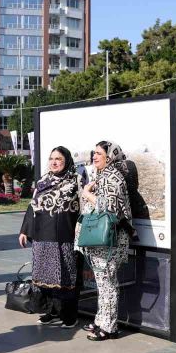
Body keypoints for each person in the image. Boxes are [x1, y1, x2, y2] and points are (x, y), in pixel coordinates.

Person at [18, 146, 81, 328]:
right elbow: (32, 207)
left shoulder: (75, 181)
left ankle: (69, 315)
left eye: (58, 159)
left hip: (64, 237)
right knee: (44, 277)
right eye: (52, 158)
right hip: (42, 237)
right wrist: (24, 230)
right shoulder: (43, 181)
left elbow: (83, 208)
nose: (54, 162)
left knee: (65, 276)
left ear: (66, 161)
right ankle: (51, 312)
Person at [78, 141, 133, 341]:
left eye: (99, 154)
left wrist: (86, 194)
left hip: (111, 240)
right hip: (103, 240)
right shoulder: (105, 176)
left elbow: (108, 208)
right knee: (103, 283)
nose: (94, 157)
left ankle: (109, 327)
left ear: (109, 157)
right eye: (94, 153)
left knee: (108, 283)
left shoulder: (113, 177)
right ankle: (101, 320)